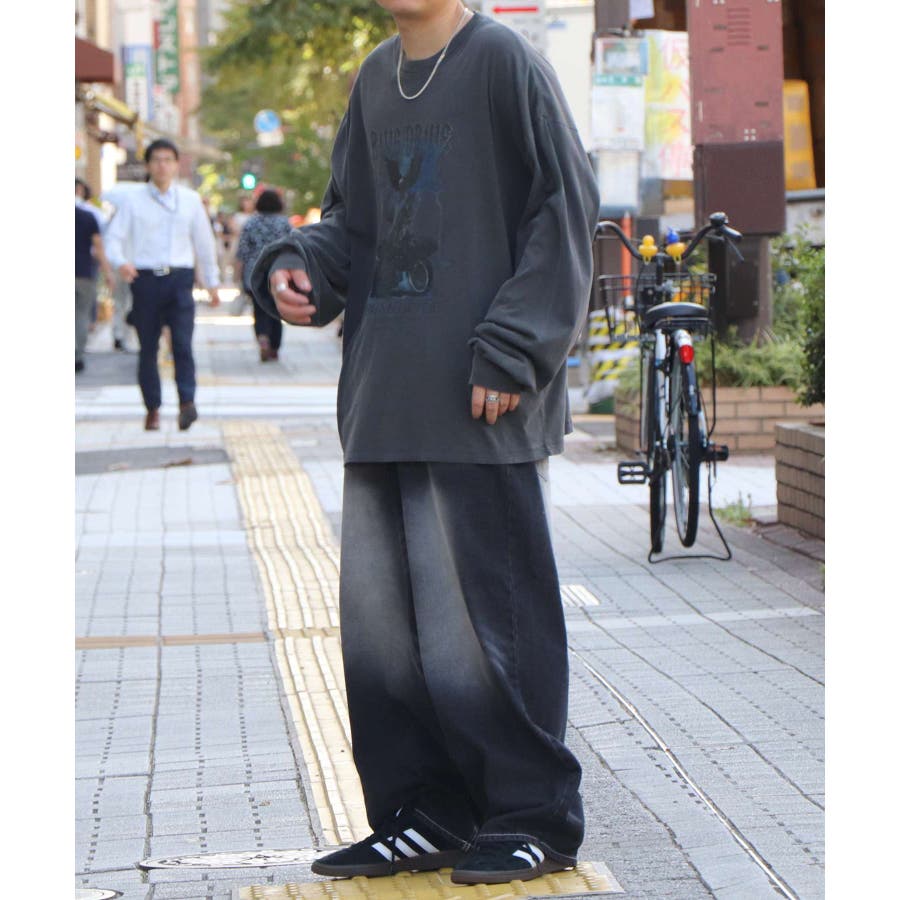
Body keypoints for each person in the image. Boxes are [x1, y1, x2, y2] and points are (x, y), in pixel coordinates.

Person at [249, 1, 599, 887]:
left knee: (488, 628)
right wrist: (296, 265)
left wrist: (514, 349)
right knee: (389, 640)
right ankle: (425, 813)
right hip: (384, 398)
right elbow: (354, 223)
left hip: (480, 399)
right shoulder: (374, 79)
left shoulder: (503, 62)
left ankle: (532, 816)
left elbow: (564, 209)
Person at [104, 139, 221, 431]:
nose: (162, 165)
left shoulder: (190, 200)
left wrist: (212, 282)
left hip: (180, 278)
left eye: (168, 160)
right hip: (145, 279)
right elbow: (113, 238)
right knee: (148, 347)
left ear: (176, 164)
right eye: (156, 160)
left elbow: (204, 243)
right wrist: (121, 262)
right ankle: (152, 408)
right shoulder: (133, 201)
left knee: (182, 343)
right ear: (148, 165)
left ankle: (187, 402)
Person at [234, 189, 292, 361]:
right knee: (277, 309)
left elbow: (243, 252)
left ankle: (263, 337)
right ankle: (274, 346)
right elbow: (292, 247)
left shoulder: (251, 223)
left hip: (254, 272)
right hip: (279, 270)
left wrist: (237, 275)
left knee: (259, 307)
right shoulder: (284, 223)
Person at [75, 204, 114, 372]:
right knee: (81, 315)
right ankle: (77, 355)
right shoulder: (87, 217)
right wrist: (108, 272)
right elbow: (98, 247)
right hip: (84, 272)